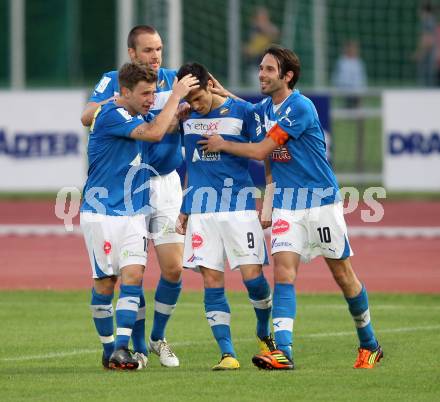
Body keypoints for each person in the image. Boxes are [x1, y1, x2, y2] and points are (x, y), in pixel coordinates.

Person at [199, 45, 383, 370]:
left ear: (288, 76)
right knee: (283, 273)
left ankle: (369, 343)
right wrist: (222, 91)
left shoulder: (300, 107)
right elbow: (247, 109)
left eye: (269, 69)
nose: (261, 74)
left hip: (320, 202)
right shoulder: (266, 108)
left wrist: (223, 144)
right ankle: (283, 351)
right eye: (260, 68)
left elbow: (260, 151)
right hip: (287, 204)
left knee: (343, 275)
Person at [80, 62, 198, 370]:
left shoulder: (135, 115)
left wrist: (177, 116)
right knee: (106, 284)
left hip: (134, 210)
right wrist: (176, 97)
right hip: (103, 212)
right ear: (125, 92)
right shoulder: (110, 114)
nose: (150, 98)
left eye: (153, 92)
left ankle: (123, 348)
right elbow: (156, 132)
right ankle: (109, 351)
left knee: (133, 278)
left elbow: (160, 126)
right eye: (145, 93)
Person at [175, 62, 275, 370]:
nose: (195, 105)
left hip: (239, 206)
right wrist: (185, 205)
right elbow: (193, 163)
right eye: (188, 99)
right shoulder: (186, 116)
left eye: (198, 97)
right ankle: (227, 353)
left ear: (209, 85)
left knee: (253, 279)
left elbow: (265, 152)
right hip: (202, 211)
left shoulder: (240, 112)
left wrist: (268, 201)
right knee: (211, 280)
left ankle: (263, 332)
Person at [244, 6, 279, 88]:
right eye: (260, 17)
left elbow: (275, 34)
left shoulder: (270, 28)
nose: (262, 19)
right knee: (257, 89)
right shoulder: (252, 30)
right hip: (255, 65)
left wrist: (262, 27)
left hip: (270, 66)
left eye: (264, 17)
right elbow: (247, 49)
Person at [331, 40, 367, 108]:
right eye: (350, 48)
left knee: (359, 97)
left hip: (356, 91)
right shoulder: (341, 62)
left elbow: (361, 79)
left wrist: (360, 90)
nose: (352, 50)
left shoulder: (358, 63)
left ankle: (358, 111)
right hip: (343, 89)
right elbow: (337, 78)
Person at [414, 2, 437, 87]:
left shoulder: (428, 22)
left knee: (426, 80)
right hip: (429, 53)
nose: (418, 12)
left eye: (420, 10)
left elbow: (429, 40)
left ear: (424, 11)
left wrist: (420, 52)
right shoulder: (430, 21)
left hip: (428, 54)